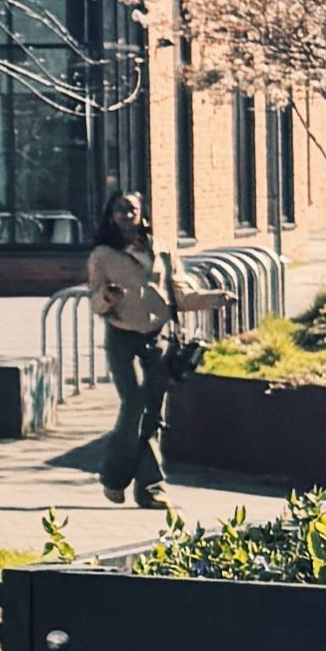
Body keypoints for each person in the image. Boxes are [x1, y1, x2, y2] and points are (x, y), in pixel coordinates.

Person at [84, 188, 204, 506]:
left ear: (142, 214)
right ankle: (114, 477)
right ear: (111, 217)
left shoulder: (161, 249)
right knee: (134, 402)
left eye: (131, 209)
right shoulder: (102, 255)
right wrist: (106, 297)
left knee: (153, 411)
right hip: (123, 337)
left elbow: (180, 291)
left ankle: (150, 489)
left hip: (158, 337)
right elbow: (95, 301)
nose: (126, 215)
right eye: (119, 210)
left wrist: (212, 299)